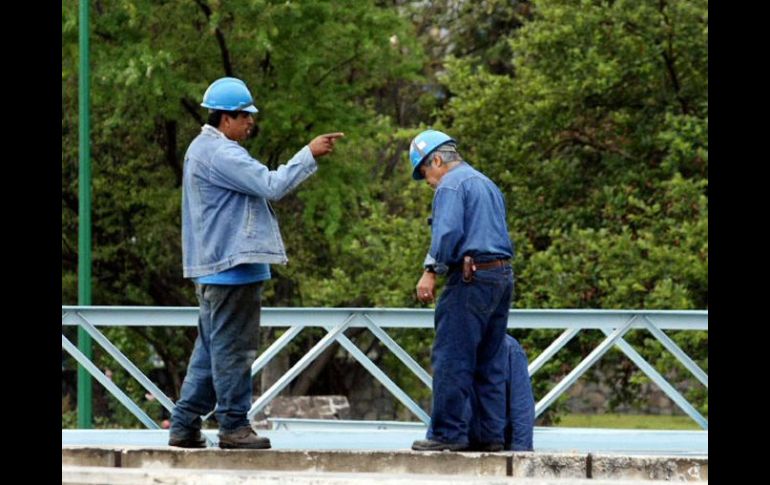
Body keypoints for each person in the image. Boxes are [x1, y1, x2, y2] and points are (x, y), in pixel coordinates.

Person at [169, 77, 343, 449]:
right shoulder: (223, 154)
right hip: (233, 268)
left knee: (209, 351)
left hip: (215, 267)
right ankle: (233, 426)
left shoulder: (201, 149)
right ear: (225, 118)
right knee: (234, 350)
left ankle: (184, 424)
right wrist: (308, 153)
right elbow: (273, 185)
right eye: (245, 116)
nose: (251, 123)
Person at [409, 129, 515, 452]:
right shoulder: (486, 183)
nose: (427, 181)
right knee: (490, 359)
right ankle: (489, 436)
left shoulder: (450, 185)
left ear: (437, 160)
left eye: (425, 171)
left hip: (469, 278)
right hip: (501, 276)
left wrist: (431, 271)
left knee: (453, 356)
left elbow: (448, 233)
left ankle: (447, 433)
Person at [467, 334, 535, 451]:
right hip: (462, 441)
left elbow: (521, 405)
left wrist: (520, 451)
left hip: (497, 443)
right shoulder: (454, 346)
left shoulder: (509, 348)